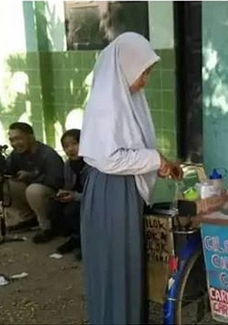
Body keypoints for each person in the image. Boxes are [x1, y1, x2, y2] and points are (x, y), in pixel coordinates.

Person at [78, 32, 182, 325]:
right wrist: (154, 159)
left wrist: (156, 160)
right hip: (111, 193)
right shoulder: (104, 104)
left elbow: (133, 149)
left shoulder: (128, 99)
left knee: (128, 267)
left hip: (125, 191)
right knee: (115, 267)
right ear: (123, 66)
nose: (144, 80)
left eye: (147, 72)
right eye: (143, 72)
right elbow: (108, 158)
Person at [0, 122, 64, 244]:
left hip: (55, 199)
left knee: (34, 190)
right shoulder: (16, 154)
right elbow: (8, 171)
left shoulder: (48, 154)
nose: (15, 143)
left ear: (31, 137)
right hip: (34, 193)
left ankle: (47, 227)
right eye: (12, 140)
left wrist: (32, 176)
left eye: (19, 138)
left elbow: (57, 181)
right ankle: (30, 219)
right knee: (3, 186)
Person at [50, 129, 86, 260]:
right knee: (56, 207)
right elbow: (69, 185)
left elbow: (97, 195)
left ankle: (88, 243)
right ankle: (76, 237)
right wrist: (64, 193)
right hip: (78, 196)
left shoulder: (94, 164)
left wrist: (75, 196)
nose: (71, 149)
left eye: (75, 143)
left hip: (94, 200)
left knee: (72, 211)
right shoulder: (69, 164)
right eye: (66, 146)